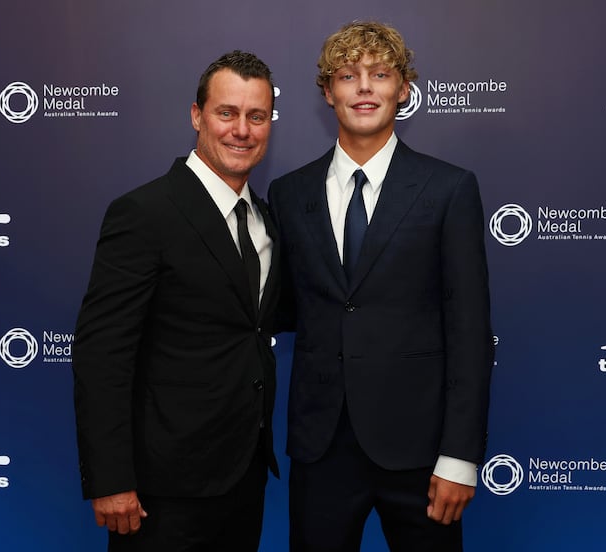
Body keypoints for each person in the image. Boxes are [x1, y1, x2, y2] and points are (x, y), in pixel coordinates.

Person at [268, 22, 494, 551]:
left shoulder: (449, 189)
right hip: (321, 450)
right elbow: (278, 310)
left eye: (380, 74)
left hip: (421, 453)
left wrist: (460, 458)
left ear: (403, 89)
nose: (364, 87)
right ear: (328, 92)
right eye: (348, 75)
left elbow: (469, 331)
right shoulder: (288, 192)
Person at [72, 50, 280, 551]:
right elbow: (102, 353)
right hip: (160, 488)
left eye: (256, 116)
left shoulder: (266, 220)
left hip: (245, 476)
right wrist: (111, 478)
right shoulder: (144, 213)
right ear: (197, 115)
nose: (242, 130)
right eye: (226, 113)